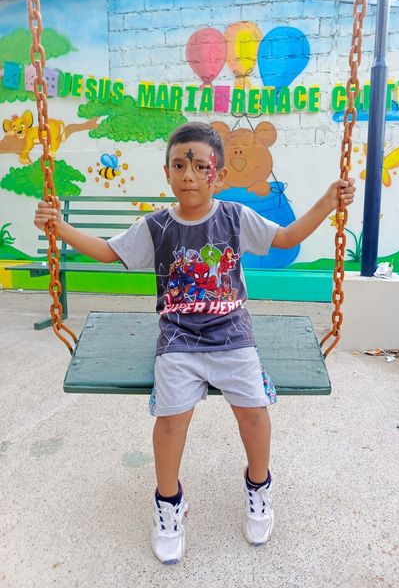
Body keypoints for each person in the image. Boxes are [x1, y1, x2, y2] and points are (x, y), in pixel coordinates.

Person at [34, 122, 356, 565]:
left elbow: (285, 238)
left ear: (218, 175)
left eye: (200, 166)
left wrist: (327, 201)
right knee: (170, 422)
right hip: (179, 337)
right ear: (167, 172)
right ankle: (169, 502)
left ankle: (258, 485)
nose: (189, 174)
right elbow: (109, 251)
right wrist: (60, 227)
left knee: (255, 412)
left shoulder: (235, 217)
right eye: (179, 165)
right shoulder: (156, 226)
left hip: (232, 333)